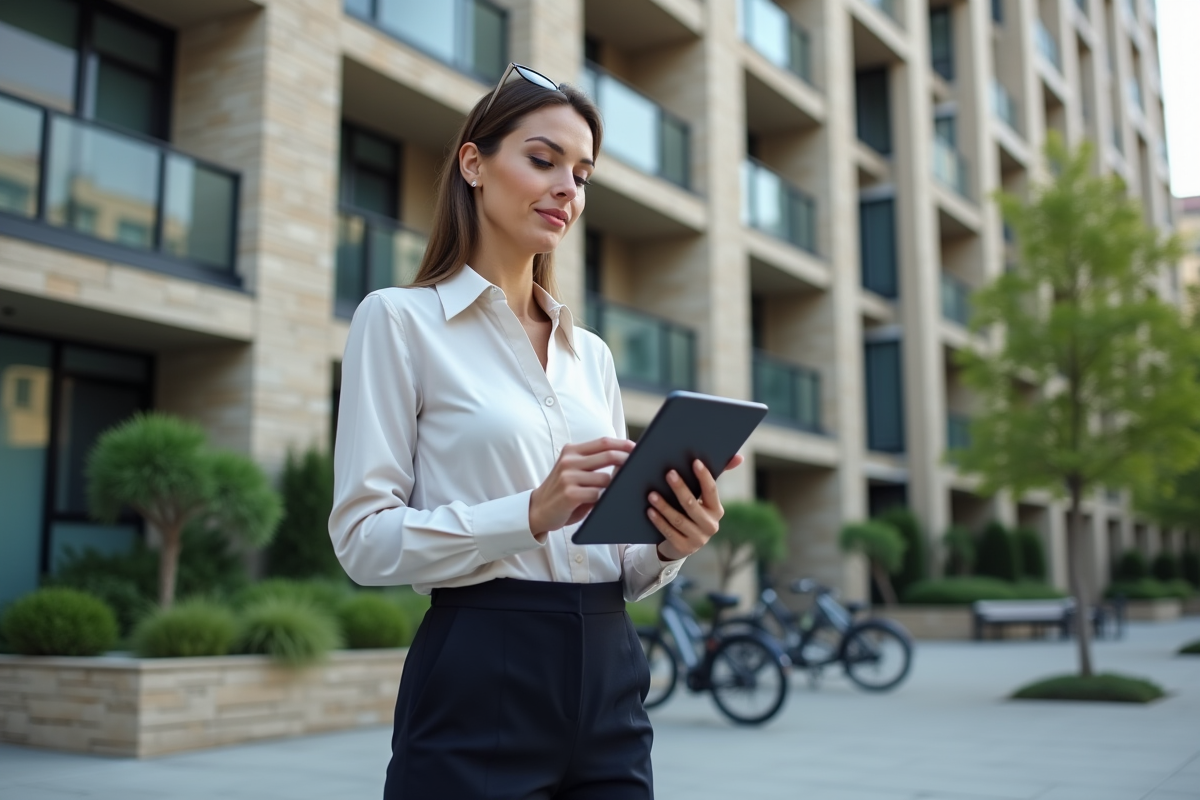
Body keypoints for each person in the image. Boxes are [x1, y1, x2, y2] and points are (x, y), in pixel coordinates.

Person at [329, 63, 743, 800]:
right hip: (479, 665)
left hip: (611, 668)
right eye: (544, 160)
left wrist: (672, 540)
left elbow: (616, 558)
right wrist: (527, 513)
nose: (567, 190)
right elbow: (363, 540)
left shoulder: (594, 357)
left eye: (582, 174)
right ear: (474, 163)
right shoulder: (398, 321)